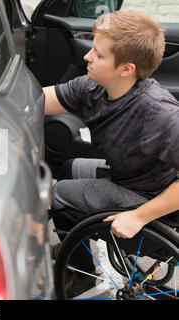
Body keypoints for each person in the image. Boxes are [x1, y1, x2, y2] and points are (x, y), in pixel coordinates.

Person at [44, 11, 179, 240]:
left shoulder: (157, 113)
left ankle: (79, 274)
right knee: (68, 168)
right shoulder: (93, 87)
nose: (88, 56)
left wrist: (139, 217)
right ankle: (79, 255)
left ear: (126, 69)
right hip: (126, 176)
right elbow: (39, 100)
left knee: (54, 193)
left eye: (98, 53)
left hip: (147, 196)